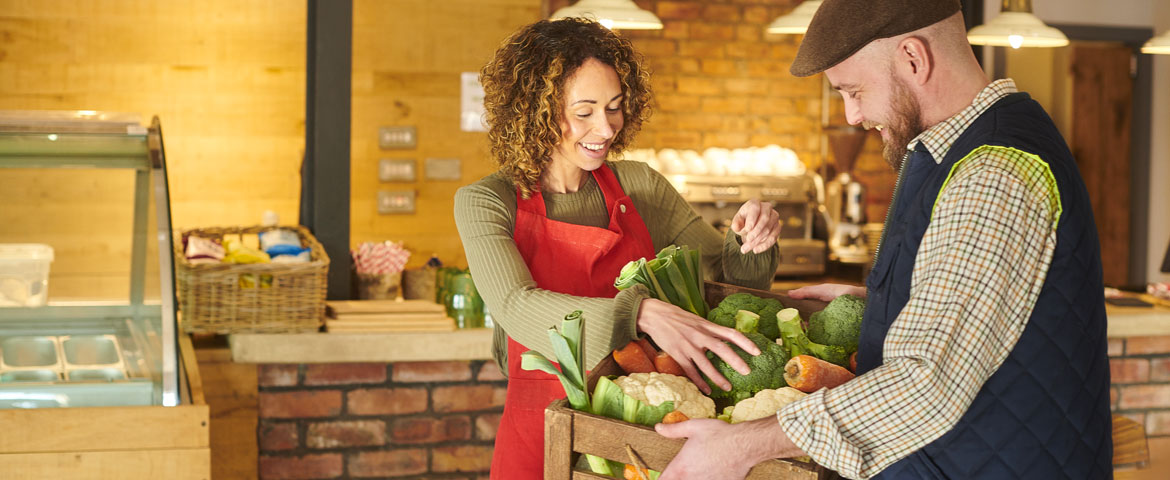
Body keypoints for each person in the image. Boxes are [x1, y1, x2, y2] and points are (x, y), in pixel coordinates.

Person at [655, 1, 1112, 479]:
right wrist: (887, 301)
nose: (853, 115)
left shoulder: (992, 172)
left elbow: (926, 382)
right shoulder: (958, 150)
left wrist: (740, 447)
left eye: (854, 90)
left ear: (914, 58)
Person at [453, 17, 783, 480]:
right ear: (535, 111)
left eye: (614, 107)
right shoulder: (487, 201)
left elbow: (729, 285)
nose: (605, 128)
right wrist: (637, 313)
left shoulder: (641, 187)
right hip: (540, 425)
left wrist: (751, 239)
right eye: (583, 111)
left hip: (642, 432)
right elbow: (514, 305)